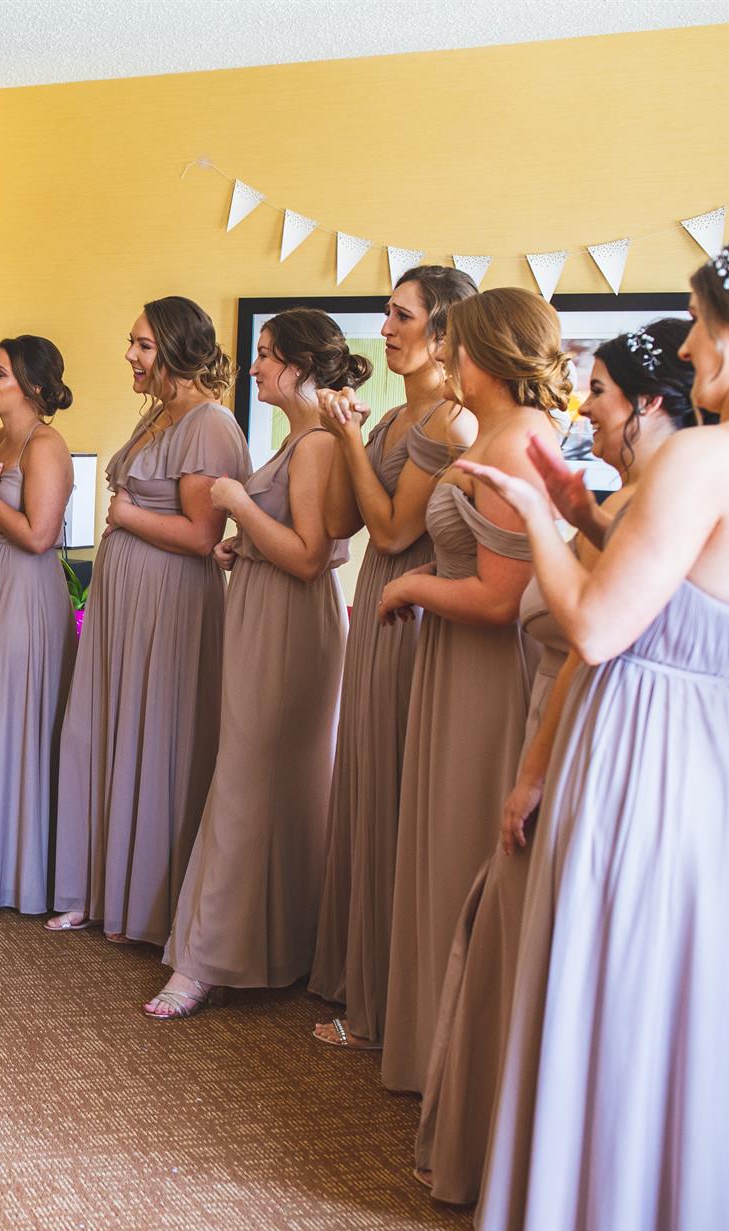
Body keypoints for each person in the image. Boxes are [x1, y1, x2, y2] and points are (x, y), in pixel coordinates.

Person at [468, 231, 729, 1231]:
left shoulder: (707, 455)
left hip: (653, 754)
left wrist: (533, 516)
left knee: (624, 1000)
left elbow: (597, 628)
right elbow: (693, 590)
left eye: (700, 323)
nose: (691, 344)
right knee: (697, 1006)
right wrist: (582, 510)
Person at [413, 319, 698, 1203]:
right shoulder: (625, 501)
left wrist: (533, 772)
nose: (586, 408)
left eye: (601, 392)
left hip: (588, 740)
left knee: (539, 954)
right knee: (511, 940)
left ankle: (536, 1179)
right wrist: (577, 516)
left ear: (649, 405)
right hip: (559, 719)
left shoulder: (659, 505)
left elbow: (586, 638)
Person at [376, 288, 562, 1094]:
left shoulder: (519, 442)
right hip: (451, 660)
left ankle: (465, 1076)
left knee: (463, 848)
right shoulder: (489, 429)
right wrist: (427, 577)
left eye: (457, 343)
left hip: (487, 671)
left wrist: (409, 587)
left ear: (488, 354)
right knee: (439, 844)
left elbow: (500, 599)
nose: (445, 353)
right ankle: (433, 1054)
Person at [146, 309, 353, 1017]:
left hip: (289, 622)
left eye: (266, 354)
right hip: (267, 609)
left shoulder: (317, 444)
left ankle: (203, 960)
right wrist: (246, 544)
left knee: (245, 781)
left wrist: (237, 503)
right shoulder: (297, 438)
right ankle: (276, 945)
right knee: (269, 785)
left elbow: (311, 557)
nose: (254, 366)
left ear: (299, 365)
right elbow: (297, 539)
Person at [306, 266, 479, 1047]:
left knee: (393, 788)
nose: (385, 330)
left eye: (402, 316)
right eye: (387, 313)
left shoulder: (447, 424)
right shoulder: (389, 422)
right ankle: (363, 977)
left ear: (444, 332)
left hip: (411, 605)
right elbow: (340, 522)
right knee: (365, 775)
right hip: (374, 593)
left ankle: (390, 1006)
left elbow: (395, 531)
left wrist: (347, 437)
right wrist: (340, 434)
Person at [45, 297, 250, 944]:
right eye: (131, 343)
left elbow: (201, 535)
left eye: (142, 345)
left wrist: (127, 517)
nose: (130, 355)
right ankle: (97, 889)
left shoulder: (209, 424)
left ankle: (146, 906)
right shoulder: (159, 414)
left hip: (170, 602)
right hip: (124, 601)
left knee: (155, 735)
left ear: (177, 350)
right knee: (104, 730)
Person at [0, 336, 77, 915]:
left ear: (31, 386)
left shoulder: (46, 445)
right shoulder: (3, 440)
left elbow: (38, 536)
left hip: (26, 592)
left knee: (17, 717)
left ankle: (23, 875)